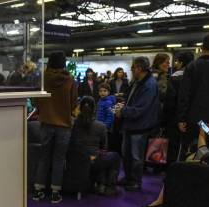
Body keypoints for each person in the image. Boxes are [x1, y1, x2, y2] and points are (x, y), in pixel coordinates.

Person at [32, 51, 78, 204]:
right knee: (59, 159)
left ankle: (38, 190)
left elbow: (35, 101)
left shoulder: (43, 78)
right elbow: (73, 103)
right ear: (64, 63)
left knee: (43, 157)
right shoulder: (70, 79)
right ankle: (55, 192)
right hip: (64, 125)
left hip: (46, 123)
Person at [114, 56, 160, 191]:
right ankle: (128, 177)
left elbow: (141, 109)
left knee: (136, 156)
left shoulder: (149, 85)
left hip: (140, 125)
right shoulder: (137, 82)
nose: (131, 70)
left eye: (133, 67)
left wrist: (123, 111)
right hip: (130, 124)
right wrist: (124, 106)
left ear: (139, 68)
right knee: (126, 154)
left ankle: (135, 181)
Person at [72, 96, 121, 196]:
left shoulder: (73, 123)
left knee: (102, 157)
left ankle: (100, 183)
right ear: (94, 109)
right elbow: (104, 147)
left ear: (79, 108)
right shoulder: (101, 126)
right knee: (114, 156)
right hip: (92, 160)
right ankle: (109, 187)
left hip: (75, 160)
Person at [167, 51, 194, 162]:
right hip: (195, 118)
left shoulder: (175, 77)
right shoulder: (198, 77)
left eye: (177, 61)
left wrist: (165, 120)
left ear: (182, 62)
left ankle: (172, 174)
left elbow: (170, 101)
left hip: (175, 118)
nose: (175, 64)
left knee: (174, 147)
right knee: (189, 147)